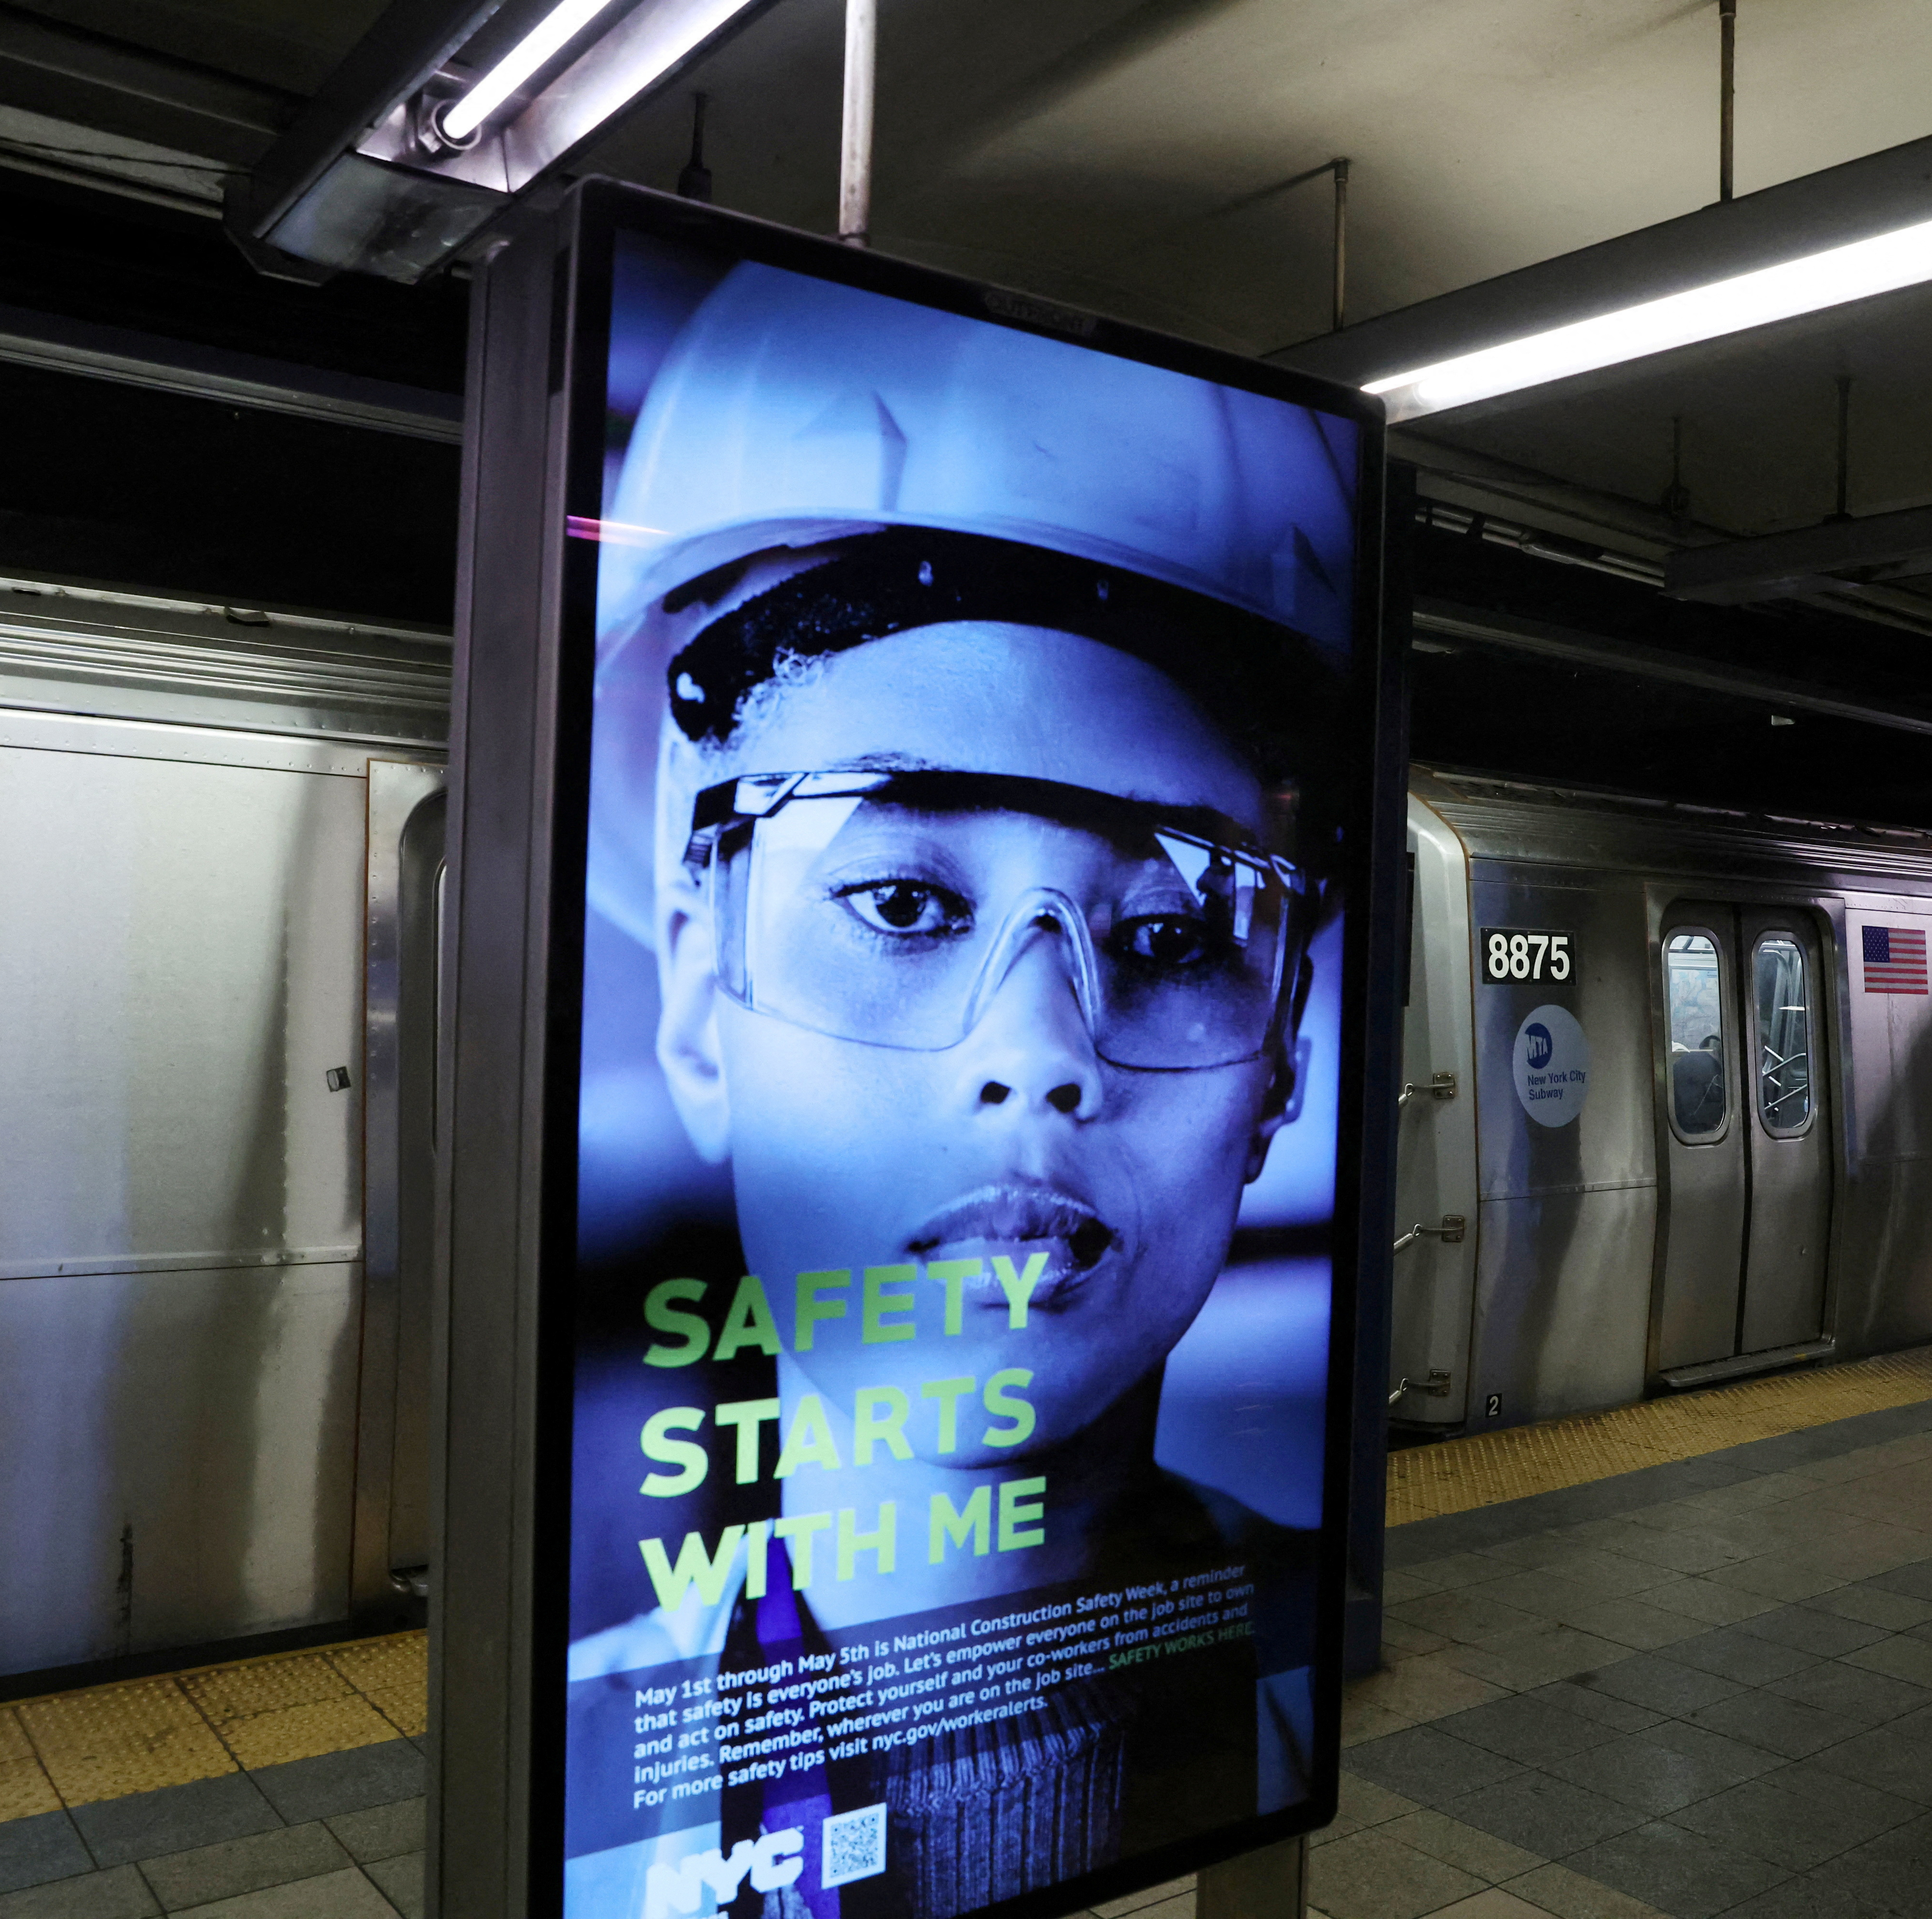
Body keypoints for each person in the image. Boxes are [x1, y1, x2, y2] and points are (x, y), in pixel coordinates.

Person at [561, 255, 1355, 1919]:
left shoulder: (1301, 1666)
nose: (1040, 1053)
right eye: (905, 905)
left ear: (1279, 1055)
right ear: (705, 1004)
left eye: (1167, 932)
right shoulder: (582, 1766)